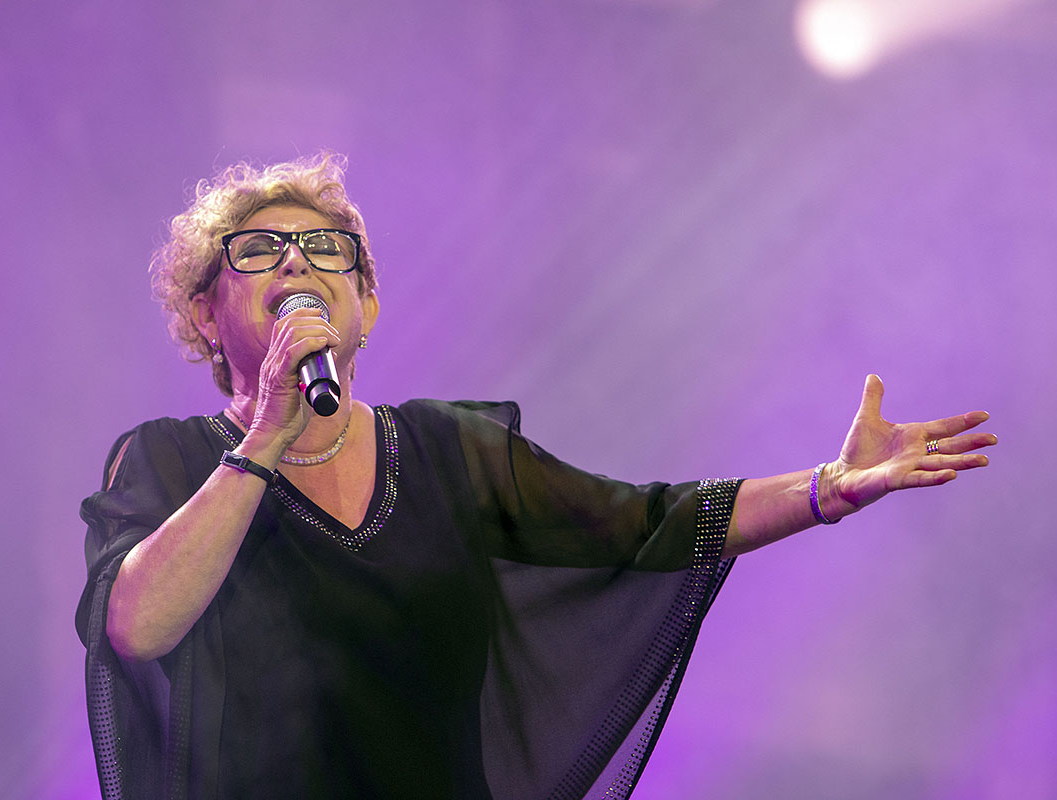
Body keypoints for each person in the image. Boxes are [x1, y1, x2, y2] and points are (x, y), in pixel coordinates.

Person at [76, 152, 996, 800]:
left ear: (368, 306)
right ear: (206, 314)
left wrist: (826, 488)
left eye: (327, 250)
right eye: (257, 250)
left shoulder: (448, 450)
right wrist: (268, 434)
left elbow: (648, 523)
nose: (295, 260)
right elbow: (137, 626)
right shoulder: (167, 459)